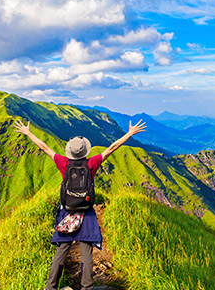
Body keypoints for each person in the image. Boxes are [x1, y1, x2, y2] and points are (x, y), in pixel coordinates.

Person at [13, 118, 146, 290]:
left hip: (67, 212)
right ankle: (86, 286)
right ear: (84, 151)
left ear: (70, 152)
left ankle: (50, 287)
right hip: (87, 212)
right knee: (86, 252)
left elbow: (44, 147)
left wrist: (28, 132)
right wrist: (129, 133)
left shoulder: (64, 163)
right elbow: (112, 148)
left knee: (61, 250)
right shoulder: (91, 163)